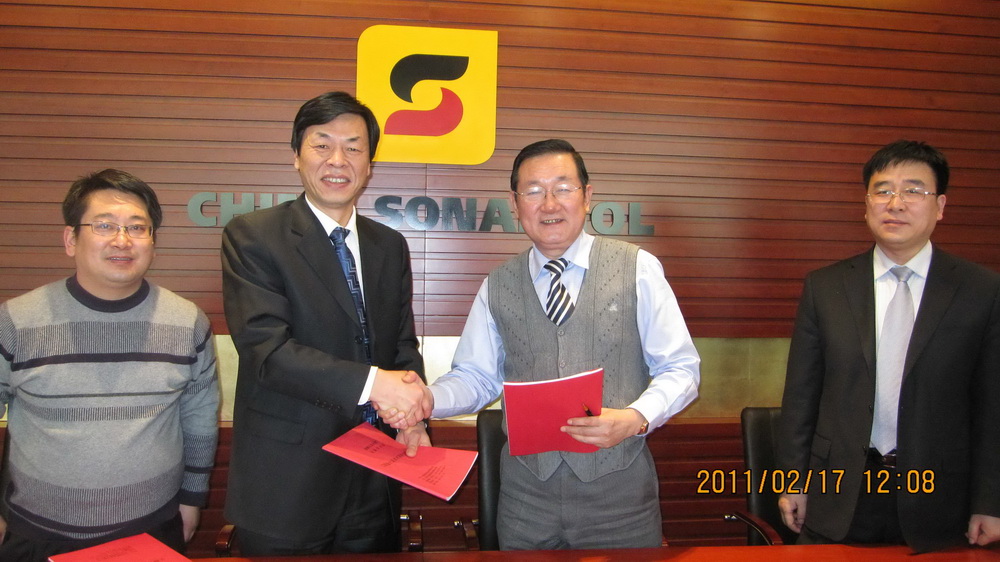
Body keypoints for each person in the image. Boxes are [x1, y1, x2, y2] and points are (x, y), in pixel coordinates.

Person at [386, 139, 700, 549]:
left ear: (587, 196)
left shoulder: (637, 268)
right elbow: (477, 377)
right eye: (533, 191)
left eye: (563, 188)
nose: (549, 203)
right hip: (525, 503)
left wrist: (635, 418)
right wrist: (427, 400)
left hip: (619, 498)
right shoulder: (497, 284)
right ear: (515, 204)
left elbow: (681, 369)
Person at [221, 91, 431, 556]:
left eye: (353, 147)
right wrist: (377, 384)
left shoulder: (389, 245)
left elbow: (401, 343)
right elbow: (268, 352)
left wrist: (411, 415)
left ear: (370, 164)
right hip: (287, 483)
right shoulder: (253, 236)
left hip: (374, 478)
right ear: (296, 155)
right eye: (322, 145)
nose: (338, 160)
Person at [776, 140, 1000, 552]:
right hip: (839, 493)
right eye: (883, 190)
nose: (895, 203)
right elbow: (800, 397)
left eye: (913, 190)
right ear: (866, 204)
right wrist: (792, 481)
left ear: (940, 206)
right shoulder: (826, 287)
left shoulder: (981, 290)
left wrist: (991, 502)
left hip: (940, 498)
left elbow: (993, 407)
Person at [0, 169, 220, 561]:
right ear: (71, 239)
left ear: (153, 241)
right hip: (37, 533)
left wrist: (192, 500)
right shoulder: (16, 322)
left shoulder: (187, 322)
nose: (122, 240)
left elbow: (199, 418)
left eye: (137, 227)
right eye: (104, 226)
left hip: (152, 529)